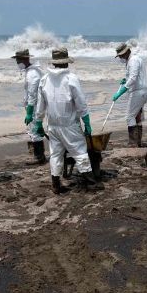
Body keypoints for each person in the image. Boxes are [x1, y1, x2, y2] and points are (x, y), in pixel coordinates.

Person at [34, 47, 101, 194]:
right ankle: (90, 182)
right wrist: (87, 122)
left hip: (52, 125)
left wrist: (38, 122)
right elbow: (81, 103)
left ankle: (56, 185)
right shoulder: (71, 78)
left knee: (56, 154)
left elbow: (40, 104)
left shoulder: (44, 79)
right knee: (79, 151)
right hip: (69, 125)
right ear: (66, 63)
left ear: (54, 63)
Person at [12, 49, 46, 165]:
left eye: (18, 60)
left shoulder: (32, 74)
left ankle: (39, 157)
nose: (17, 63)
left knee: (35, 130)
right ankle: (38, 155)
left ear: (25, 59)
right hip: (34, 105)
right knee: (34, 129)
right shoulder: (30, 71)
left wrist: (29, 112)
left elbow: (33, 95)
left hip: (35, 106)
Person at [113, 42, 147, 147]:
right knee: (137, 117)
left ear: (126, 52)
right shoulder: (132, 60)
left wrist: (122, 90)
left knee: (130, 117)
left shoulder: (133, 60)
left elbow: (133, 78)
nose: (120, 57)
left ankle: (133, 143)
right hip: (141, 91)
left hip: (139, 92)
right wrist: (125, 80)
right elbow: (132, 76)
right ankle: (138, 142)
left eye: (120, 55)